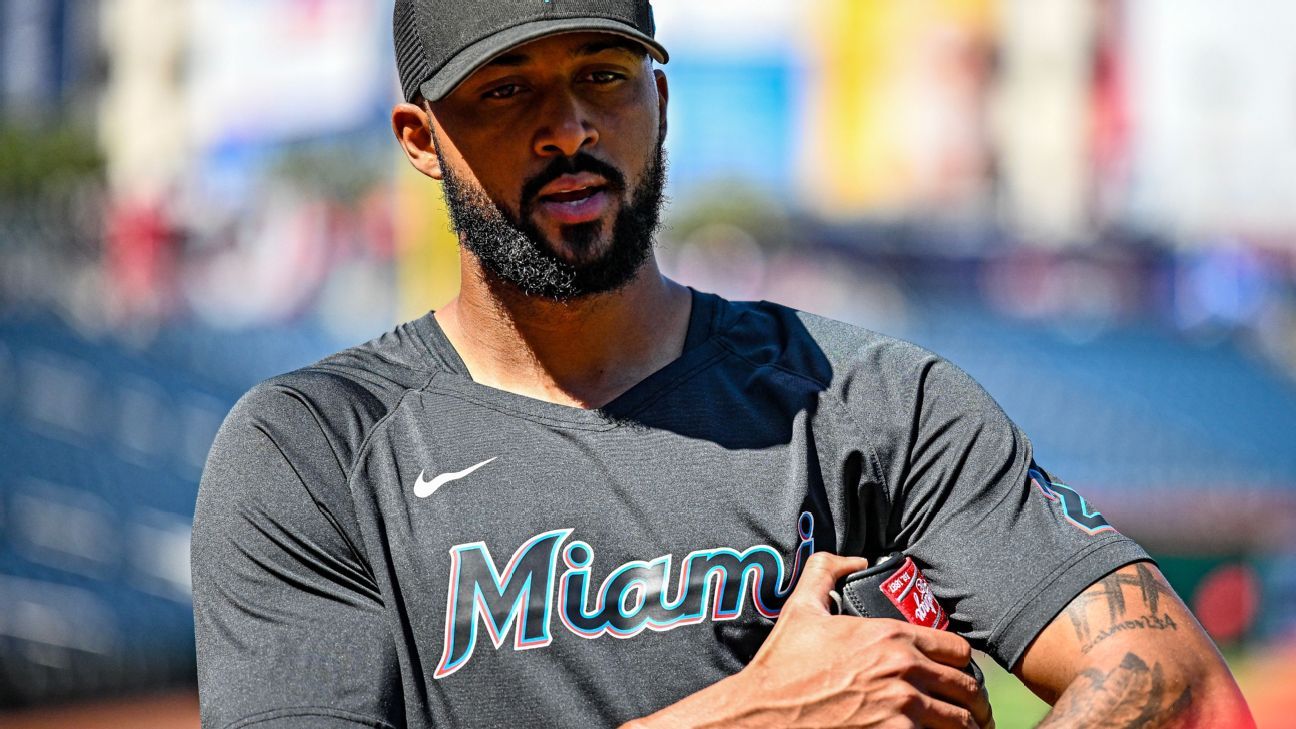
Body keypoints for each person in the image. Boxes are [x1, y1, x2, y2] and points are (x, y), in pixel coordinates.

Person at [191, 1, 1254, 727]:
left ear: (661, 99)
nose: (569, 128)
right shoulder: (312, 453)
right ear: (420, 137)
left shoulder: (874, 405)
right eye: (506, 91)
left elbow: (1181, 689)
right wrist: (750, 714)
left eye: (602, 77)